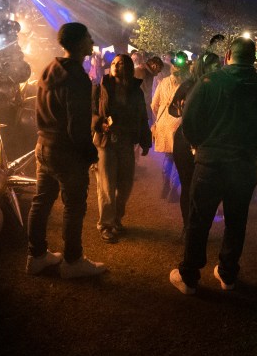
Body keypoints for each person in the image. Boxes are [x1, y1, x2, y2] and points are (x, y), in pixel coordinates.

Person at [169, 37, 257, 294]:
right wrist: (254, 148)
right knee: (236, 221)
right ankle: (228, 274)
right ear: (253, 58)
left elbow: (189, 121)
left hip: (210, 164)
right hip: (243, 165)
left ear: (228, 55)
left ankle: (189, 276)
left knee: (199, 220)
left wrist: (199, 145)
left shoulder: (210, 82)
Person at [26, 22, 106, 279]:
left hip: (43, 146)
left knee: (41, 202)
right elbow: (77, 125)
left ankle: (37, 256)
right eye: (88, 37)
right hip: (66, 152)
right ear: (80, 43)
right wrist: (90, 153)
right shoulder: (77, 78)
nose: (92, 41)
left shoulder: (50, 69)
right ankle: (72, 261)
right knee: (74, 206)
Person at [92, 53, 152, 244]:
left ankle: (116, 219)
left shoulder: (136, 91)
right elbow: (91, 112)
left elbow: (142, 116)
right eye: (114, 63)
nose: (116, 66)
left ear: (128, 68)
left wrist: (145, 140)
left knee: (125, 185)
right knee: (106, 186)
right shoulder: (100, 87)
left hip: (126, 142)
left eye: (120, 64)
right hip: (106, 142)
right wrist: (99, 123)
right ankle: (106, 225)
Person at [168, 52, 222, 233]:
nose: (218, 67)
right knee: (188, 185)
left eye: (219, 64)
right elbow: (171, 109)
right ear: (204, 67)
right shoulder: (189, 85)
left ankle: (199, 226)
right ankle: (188, 227)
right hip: (185, 140)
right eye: (215, 65)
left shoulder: (219, 86)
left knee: (205, 187)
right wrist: (183, 110)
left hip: (208, 141)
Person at [151, 51, 191, 201]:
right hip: (179, 124)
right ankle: (174, 189)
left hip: (164, 124)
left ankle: (165, 185)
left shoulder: (163, 82)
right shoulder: (187, 85)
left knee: (168, 157)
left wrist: (160, 118)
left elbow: (154, 104)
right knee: (180, 159)